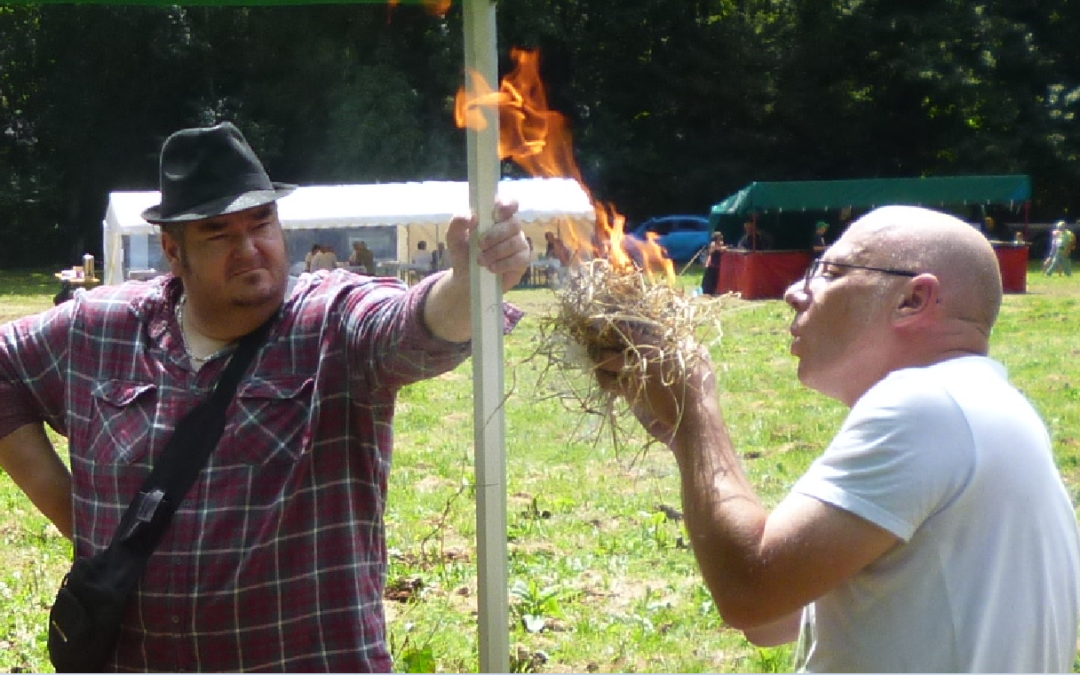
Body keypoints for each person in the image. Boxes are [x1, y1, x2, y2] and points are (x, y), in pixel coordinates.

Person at [0, 122, 531, 671]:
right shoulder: (102, 328)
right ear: (173, 251)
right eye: (218, 233)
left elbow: (409, 327)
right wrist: (75, 516)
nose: (250, 249)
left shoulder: (328, 321)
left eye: (262, 223)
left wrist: (467, 284)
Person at [593, 204, 1080, 671]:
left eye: (828, 272)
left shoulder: (926, 405)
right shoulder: (983, 408)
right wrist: (682, 433)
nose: (793, 291)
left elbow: (751, 592)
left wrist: (695, 405)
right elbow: (771, 620)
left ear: (912, 300)